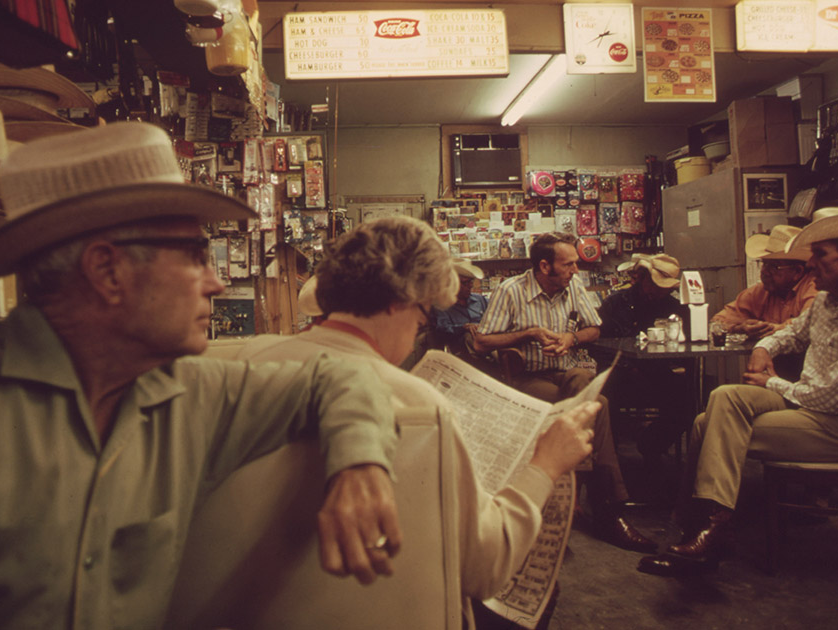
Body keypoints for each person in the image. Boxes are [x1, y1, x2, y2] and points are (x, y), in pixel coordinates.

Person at [0, 122, 405, 629]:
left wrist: (361, 463)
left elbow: (341, 376)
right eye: (197, 256)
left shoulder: (195, 394)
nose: (217, 282)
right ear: (108, 271)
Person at [234, 216, 598, 629]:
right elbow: (487, 566)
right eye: (421, 320)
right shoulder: (422, 406)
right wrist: (546, 465)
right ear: (398, 302)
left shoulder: (249, 362)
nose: (413, 338)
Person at [637, 208, 838, 577]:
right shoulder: (826, 301)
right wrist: (764, 349)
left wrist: (771, 382)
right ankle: (708, 529)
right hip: (803, 403)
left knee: (705, 423)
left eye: (820, 254)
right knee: (723, 399)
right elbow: (791, 334)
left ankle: (701, 529)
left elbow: (829, 399)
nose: (811, 263)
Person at [472, 232, 657, 554]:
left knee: (581, 386)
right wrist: (529, 333)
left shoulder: (572, 286)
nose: (575, 269)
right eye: (568, 264)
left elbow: (595, 328)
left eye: (575, 263)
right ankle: (608, 511)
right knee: (595, 404)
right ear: (545, 266)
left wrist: (570, 339)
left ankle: (571, 499)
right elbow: (482, 341)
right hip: (528, 377)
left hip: (569, 371)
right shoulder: (510, 290)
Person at [597, 253, 691, 476]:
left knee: (689, 398)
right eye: (654, 285)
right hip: (620, 375)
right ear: (640, 277)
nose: (658, 292)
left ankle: (651, 445)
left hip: (658, 375)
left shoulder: (676, 308)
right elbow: (599, 343)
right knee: (605, 395)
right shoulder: (615, 303)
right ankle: (609, 464)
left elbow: (686, 351)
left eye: (664, 288)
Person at [711, 225, 818, 339]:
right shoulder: (761, 291)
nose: (765, 271)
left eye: (774, 266)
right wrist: (739, 328)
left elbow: (808, 324)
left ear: (798, 271)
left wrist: (773, 329)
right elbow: (717, 323)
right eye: (764, 264)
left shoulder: (814, 287)